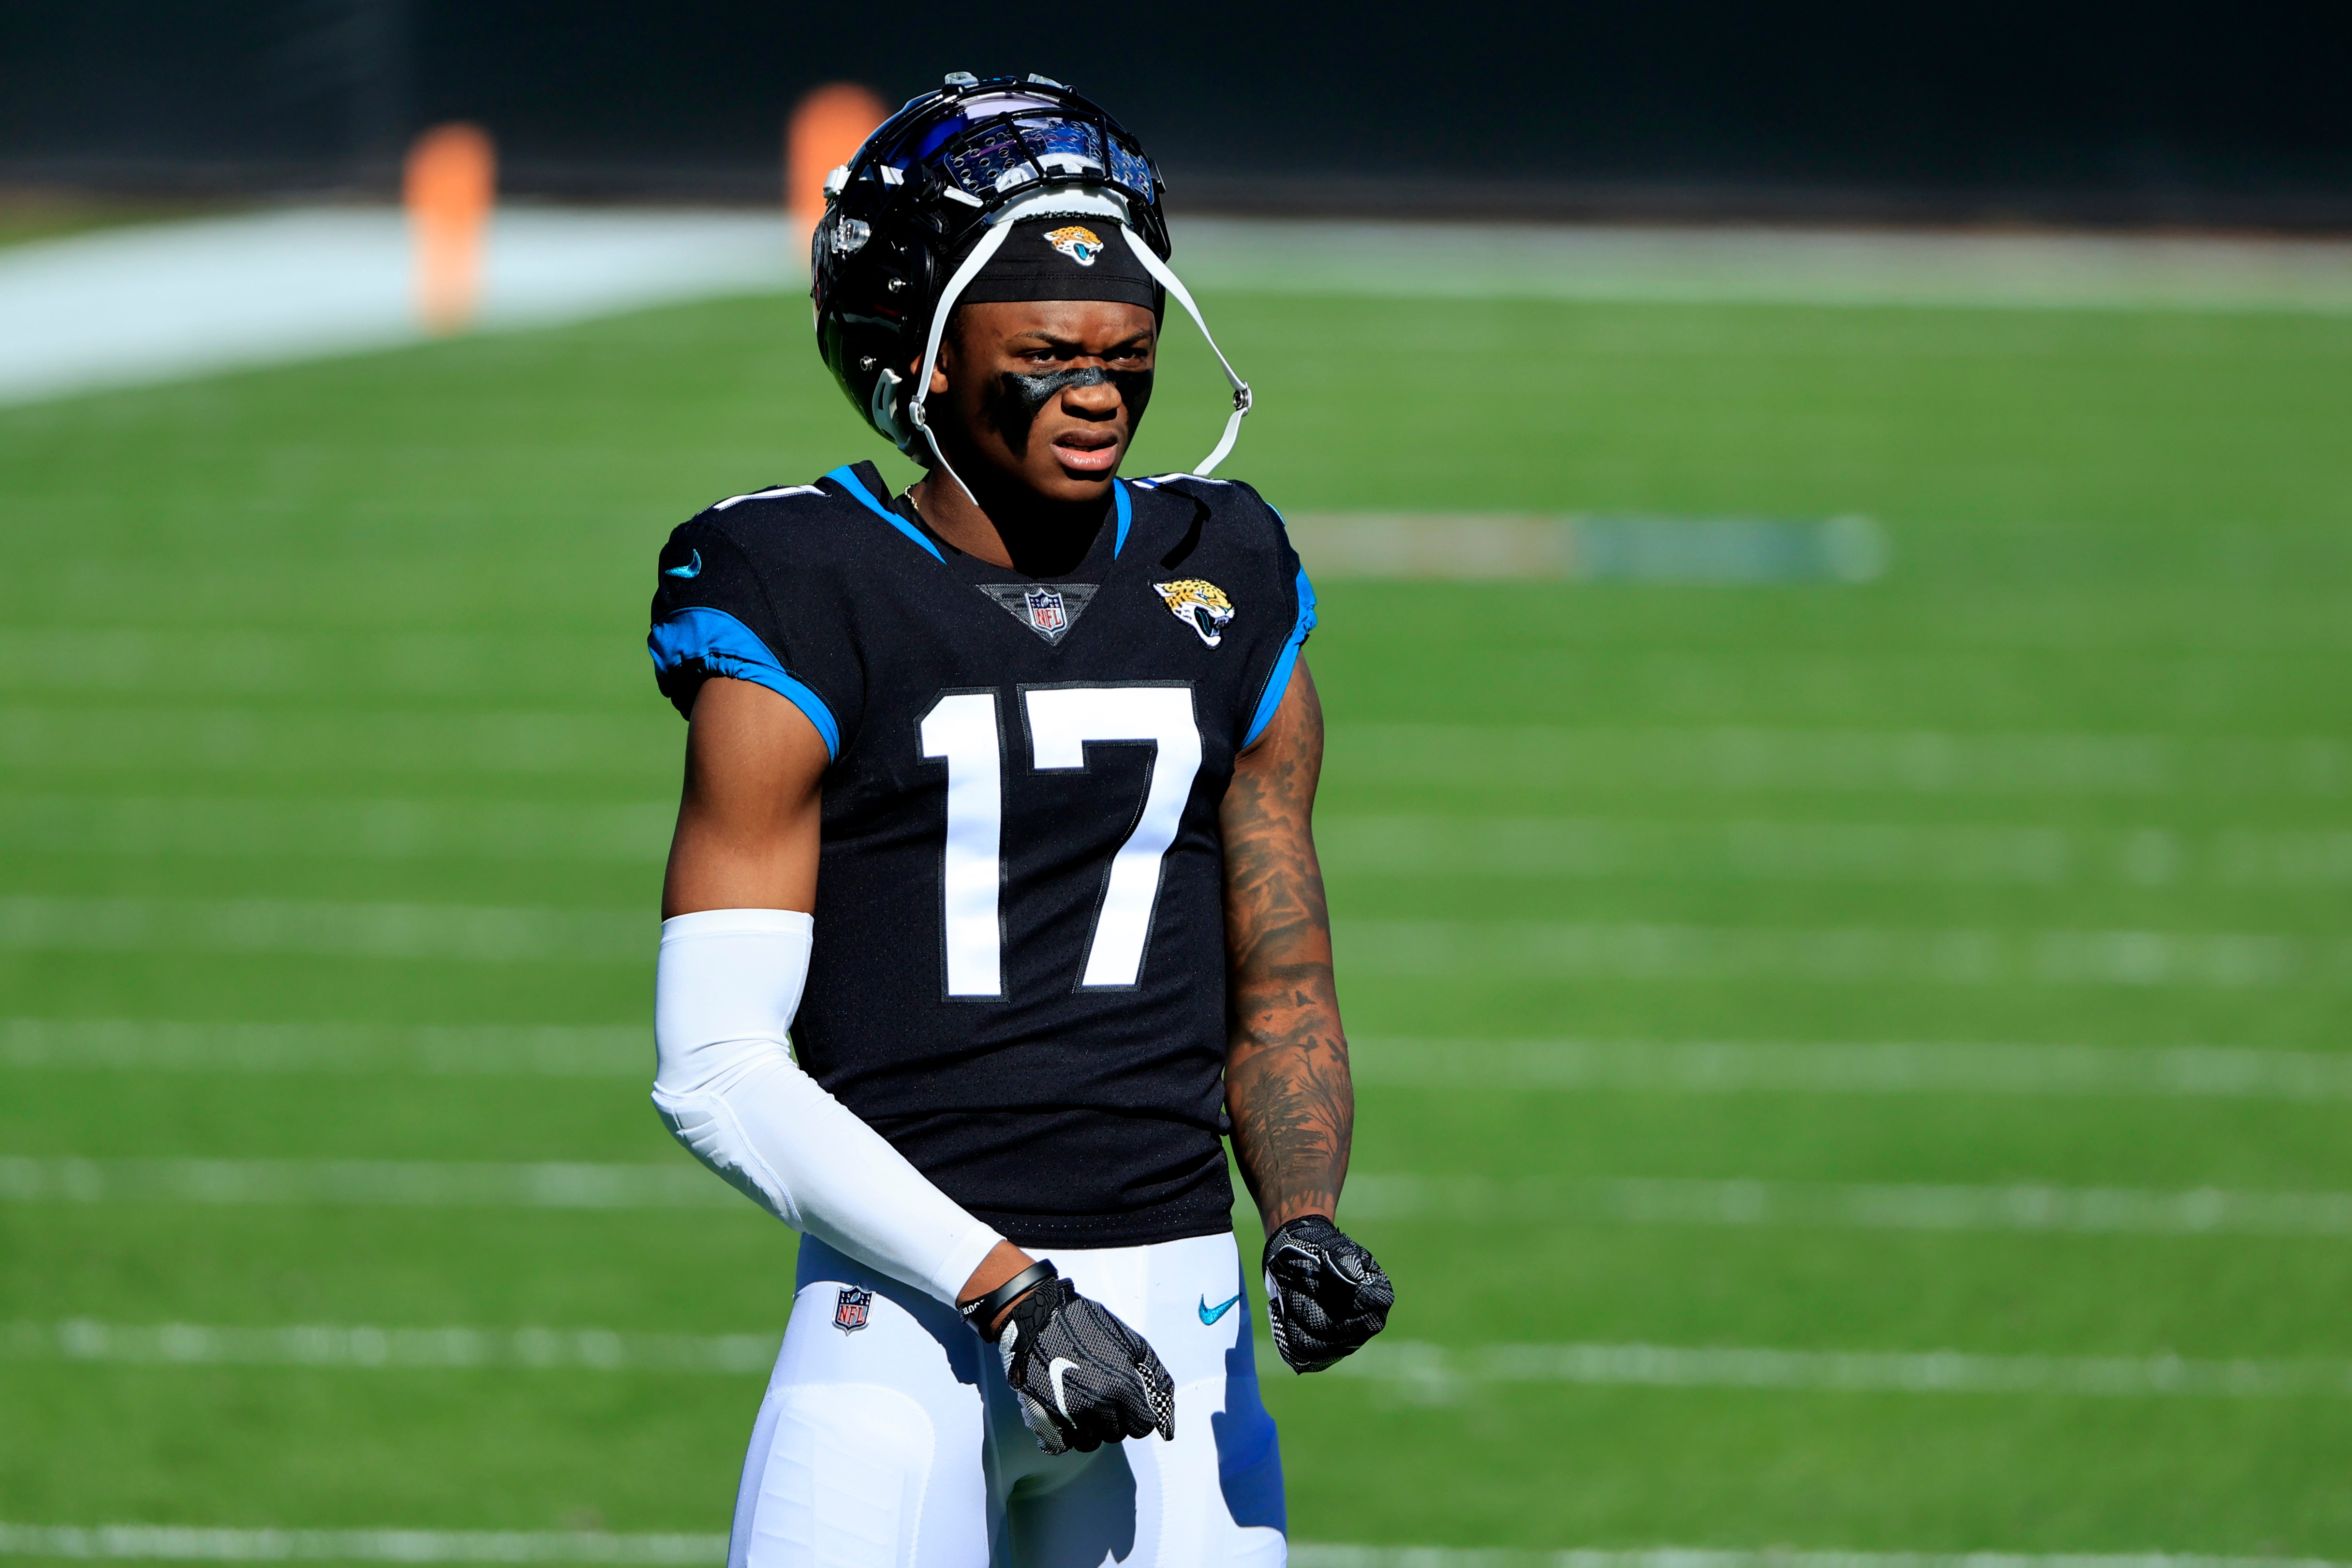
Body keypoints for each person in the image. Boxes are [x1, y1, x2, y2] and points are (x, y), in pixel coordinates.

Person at [644, 73, 1392, 1568]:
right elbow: (714, 1063)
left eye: (1128, 354)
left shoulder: (1225, 567)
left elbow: (1285, 978)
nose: (1102, 392)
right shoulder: (799, 580)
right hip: (902, 1322)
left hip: (1174, 1317)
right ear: (917, 360)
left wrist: (1304, 1211)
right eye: (1051, 355)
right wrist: (1004, 1287)